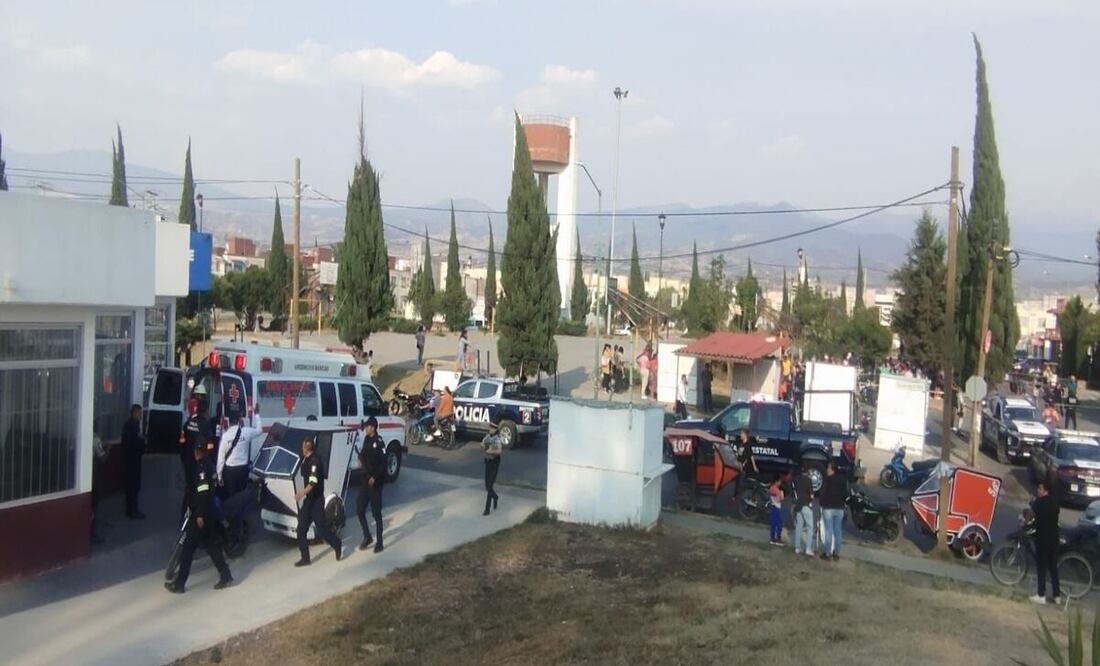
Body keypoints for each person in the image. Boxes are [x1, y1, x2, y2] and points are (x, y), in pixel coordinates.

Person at [165, 439, 233, 593]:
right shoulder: (209, 465)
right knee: (211, 546)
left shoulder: (202, 468)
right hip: (207, 513)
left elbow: (203, 493)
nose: (196, 453)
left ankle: (180, 584)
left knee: (188, 548)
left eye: (198, 451)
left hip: (201, 515)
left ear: (201, 452)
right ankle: (226, 575)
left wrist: (199, 514)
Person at [294, 437, 343, 566]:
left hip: (316, 500)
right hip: (308, 501)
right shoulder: (306, 458)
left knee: (322, 529)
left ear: (306, 448)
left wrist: (301, 493)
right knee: (301, 529)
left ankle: (336, 543)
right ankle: (305, 558)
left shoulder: (315, 462)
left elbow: (313, 482)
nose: (301, 449)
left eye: (303, 447)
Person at [356, 417, 386, 553]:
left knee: (376, 514)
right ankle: (367, 536)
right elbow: (362, 453)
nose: (366, 429)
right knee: (359, 509)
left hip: (375, 483)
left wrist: (375, 477)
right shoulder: (367, 439)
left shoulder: (379, 442)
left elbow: (383, 464)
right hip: (365, 481)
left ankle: (379, 542)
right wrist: (359, 459)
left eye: (368, 426)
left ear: (373, 427)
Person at [1031, 480, 1062, 604]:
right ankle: (1057, 596)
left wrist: (1024, 520)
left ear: (1045, 490)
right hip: (1054, 539)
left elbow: (1031, 514)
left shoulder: (1038, 502)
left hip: (1042, 538)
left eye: (1040, 488)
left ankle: (1041, 594)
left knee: (1042, 567)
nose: (1037, 490)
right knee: (1053, 568)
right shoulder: (1055, 503)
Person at [217, 414, 262, 498]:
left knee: (231, 496)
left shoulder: (226, 436)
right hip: (243, 470)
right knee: (242, 495)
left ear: (229, 422)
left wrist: (219, 476)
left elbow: (221, 458)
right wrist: (257, 415)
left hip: (230, 471)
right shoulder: (246, 431)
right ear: (239, 420)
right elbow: (259, 431)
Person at [120, 404, 146, 519]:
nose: (141, 416)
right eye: (139, 413)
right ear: (134, 413)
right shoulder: (133, 426)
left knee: (131, 486)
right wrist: (142, 442)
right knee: (134, 486)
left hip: (129, 460)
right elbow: (134, 443)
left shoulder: (129, 425)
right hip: (133, 460)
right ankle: (133, 510)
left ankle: (130, 509)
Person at [820, 461, 847, 561]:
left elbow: (822, 493)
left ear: (832, 469)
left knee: (828, 531)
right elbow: (846, 493)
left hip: (828, 507)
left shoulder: (828, 480)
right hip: (839, 508)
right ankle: (837, 553)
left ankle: (827, 553)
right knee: (838, 531)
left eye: (828, 468)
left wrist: (821, 503)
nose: (827, 470)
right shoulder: (843, 480)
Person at [792, 462, 814, 556]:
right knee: (810, 527)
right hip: (805, 504)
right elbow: (811, 495)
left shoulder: (796, 479)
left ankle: (797, 547)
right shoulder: (808, 480)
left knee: (799, 527)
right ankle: (808, 548)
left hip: (798, 505)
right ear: (808, 471)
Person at [481, 421, 503, 515]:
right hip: (488, 462)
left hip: (494, 462)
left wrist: (491, 451)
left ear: (495, 430)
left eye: (492, 428)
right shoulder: (487, 436)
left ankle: (487, 509)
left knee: (490, 486)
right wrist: (483, 446)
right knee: (487, 486)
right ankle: (495, 497)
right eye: (490, 427)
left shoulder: (497, 439)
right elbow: (482, 443)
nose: (490, 429)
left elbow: (499, 451)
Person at [768, 475, 785, 546]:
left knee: (773, 524)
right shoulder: (777, 490)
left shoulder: (771, 488)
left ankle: (772, 538)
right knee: (779, 523)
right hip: (777, 507)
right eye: (780, 482)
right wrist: (782, 495)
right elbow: (779, 500)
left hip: (772, 506)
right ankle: (778, 538)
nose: (780, 483)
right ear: (777, 482)